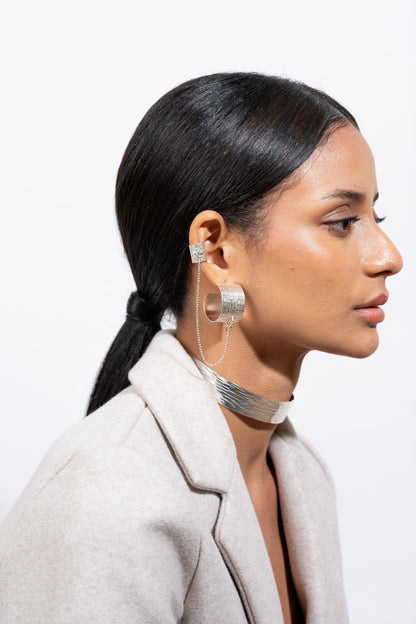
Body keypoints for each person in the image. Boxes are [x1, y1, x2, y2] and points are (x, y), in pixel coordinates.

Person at [0, 72, 403, 624]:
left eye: (376, 217)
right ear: (214, 252)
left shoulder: (302, 476)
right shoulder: (108, 492)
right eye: (342, 222)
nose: (388, 256)